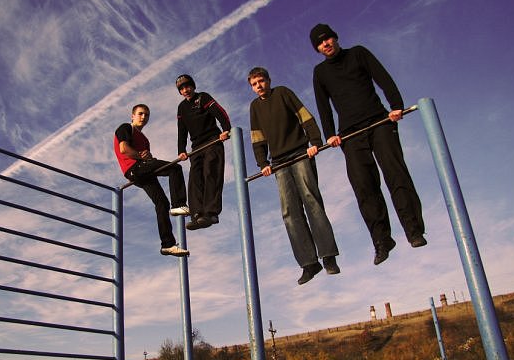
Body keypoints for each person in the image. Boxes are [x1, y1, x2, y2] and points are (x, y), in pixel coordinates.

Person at [310, 23, 426, 266]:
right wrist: (329, 134)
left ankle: (414, 231)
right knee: (364, 187)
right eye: (319, 43)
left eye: (327, 38)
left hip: (379, 122)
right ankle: (382, 241)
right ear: (317, 49)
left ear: (335, 37)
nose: (325, 44)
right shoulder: (320, 72)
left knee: (396, 175)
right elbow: (323, 106)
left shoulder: (358, 53)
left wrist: (396, 106)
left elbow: (383, 78)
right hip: (350, 134)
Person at [247, 66, 340, 285]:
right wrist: (263, 163)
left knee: (311, 200)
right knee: (289, 211)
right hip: (278, 162)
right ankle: (309, 263)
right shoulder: (254, 107)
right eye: (254, 84)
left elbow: (305, 116)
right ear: (252, 87)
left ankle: (328, 256)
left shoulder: (283, 93)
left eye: (261, 81)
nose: (259, 86)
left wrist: (315, 142)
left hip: (300, 153)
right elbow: (257, 138)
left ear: (268, 80)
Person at [114, 104, 190, 257]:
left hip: (144, 171)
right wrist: (141, 156)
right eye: (140, 114)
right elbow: (124, 149)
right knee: (174, 168)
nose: (144, 117)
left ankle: (167, 245)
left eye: (147, 115)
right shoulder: (126, 128)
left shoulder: (145, 140)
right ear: (132, 116)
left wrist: (149, 157)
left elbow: (148, 160)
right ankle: (178, 204)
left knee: (162, 203)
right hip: (134, 169)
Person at [175, 74, 231, 230]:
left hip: (212, 140)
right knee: (195, 178)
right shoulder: (182, 107)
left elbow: (220, 112)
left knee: (210, 172)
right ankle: (197, 214)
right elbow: (181, 130)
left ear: (193, 86)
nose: (185, 90)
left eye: (187, 86)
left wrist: (226, 129)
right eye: (182, 89)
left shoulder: (203, 97)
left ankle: (211, 213)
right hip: (196, 147)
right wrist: (181, 150)